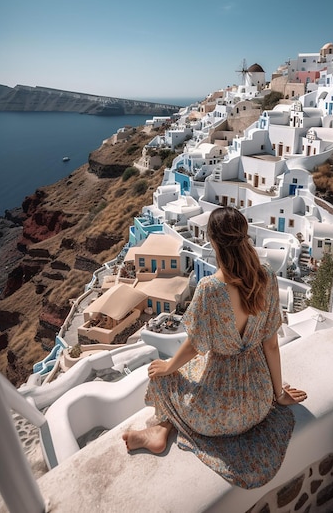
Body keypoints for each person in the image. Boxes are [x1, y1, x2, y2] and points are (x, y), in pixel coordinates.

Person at [122, 207, 307, 489]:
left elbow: (196, 344)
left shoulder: (210, 288)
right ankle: (159, 429)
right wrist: (277, 394)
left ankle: (160, 429)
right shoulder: (266, 277)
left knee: (163, 377)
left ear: (212, 241)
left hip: (218, 415)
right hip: (258, 404)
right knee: (182, 371)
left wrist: (169, 367)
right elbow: (271, 344)